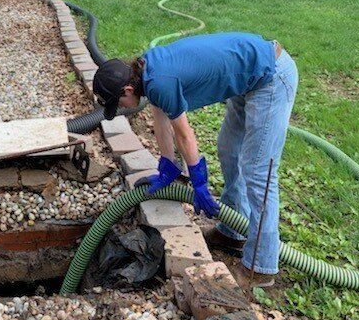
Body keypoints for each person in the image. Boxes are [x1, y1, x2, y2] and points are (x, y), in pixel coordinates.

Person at [92, 31, 298, 287]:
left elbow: (185, 136)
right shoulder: (147, 70)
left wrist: (199, 183)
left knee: (259, 171)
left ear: (128, 88)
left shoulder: (160, 82)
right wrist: (167, 165)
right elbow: (160, 117)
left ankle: (261, 266)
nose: (121, 108)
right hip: (248, 78)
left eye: (118, 102)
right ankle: (233, 233)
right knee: (228, 150)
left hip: (271, 77)